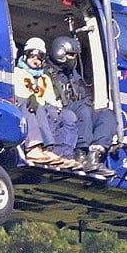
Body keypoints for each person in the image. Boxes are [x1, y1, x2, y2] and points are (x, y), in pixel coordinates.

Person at [49, 35, 118, 177]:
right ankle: (80, 152)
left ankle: (94, 155)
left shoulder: (73, 75)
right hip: (58, 111)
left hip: (79, 112)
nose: (74, 58)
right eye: (71, 55)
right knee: (83, 108)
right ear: (60, 53)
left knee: (107, 115)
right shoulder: (48, 72)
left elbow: (84, 95)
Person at [13, 37, 79, 168]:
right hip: (25, 106)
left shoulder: (45, 78)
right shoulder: (17, 72)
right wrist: (33, 98)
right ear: (26, 56)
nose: (35, 59)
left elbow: (51, 100)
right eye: (32, 55)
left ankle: (62, 154)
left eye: (39, 56)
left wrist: (57, 109)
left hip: (42, 108)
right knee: (36, 106)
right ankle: (34, 147)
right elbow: (18, 93)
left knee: (67, 115)